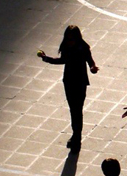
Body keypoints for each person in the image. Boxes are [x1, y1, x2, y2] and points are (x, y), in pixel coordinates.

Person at [39, 25, 98, 153]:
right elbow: (62, 60)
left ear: (77, 38)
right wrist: (46, 58)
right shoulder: (66, 47)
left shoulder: (83, 47)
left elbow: (90, 61)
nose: (70, 41)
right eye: (68, 39)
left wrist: (93, 68)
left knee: (77, 110)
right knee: (73, 110)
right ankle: (76, 135)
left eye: (72, 39)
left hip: (80, 82)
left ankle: (77, 139)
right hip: (69, 82)